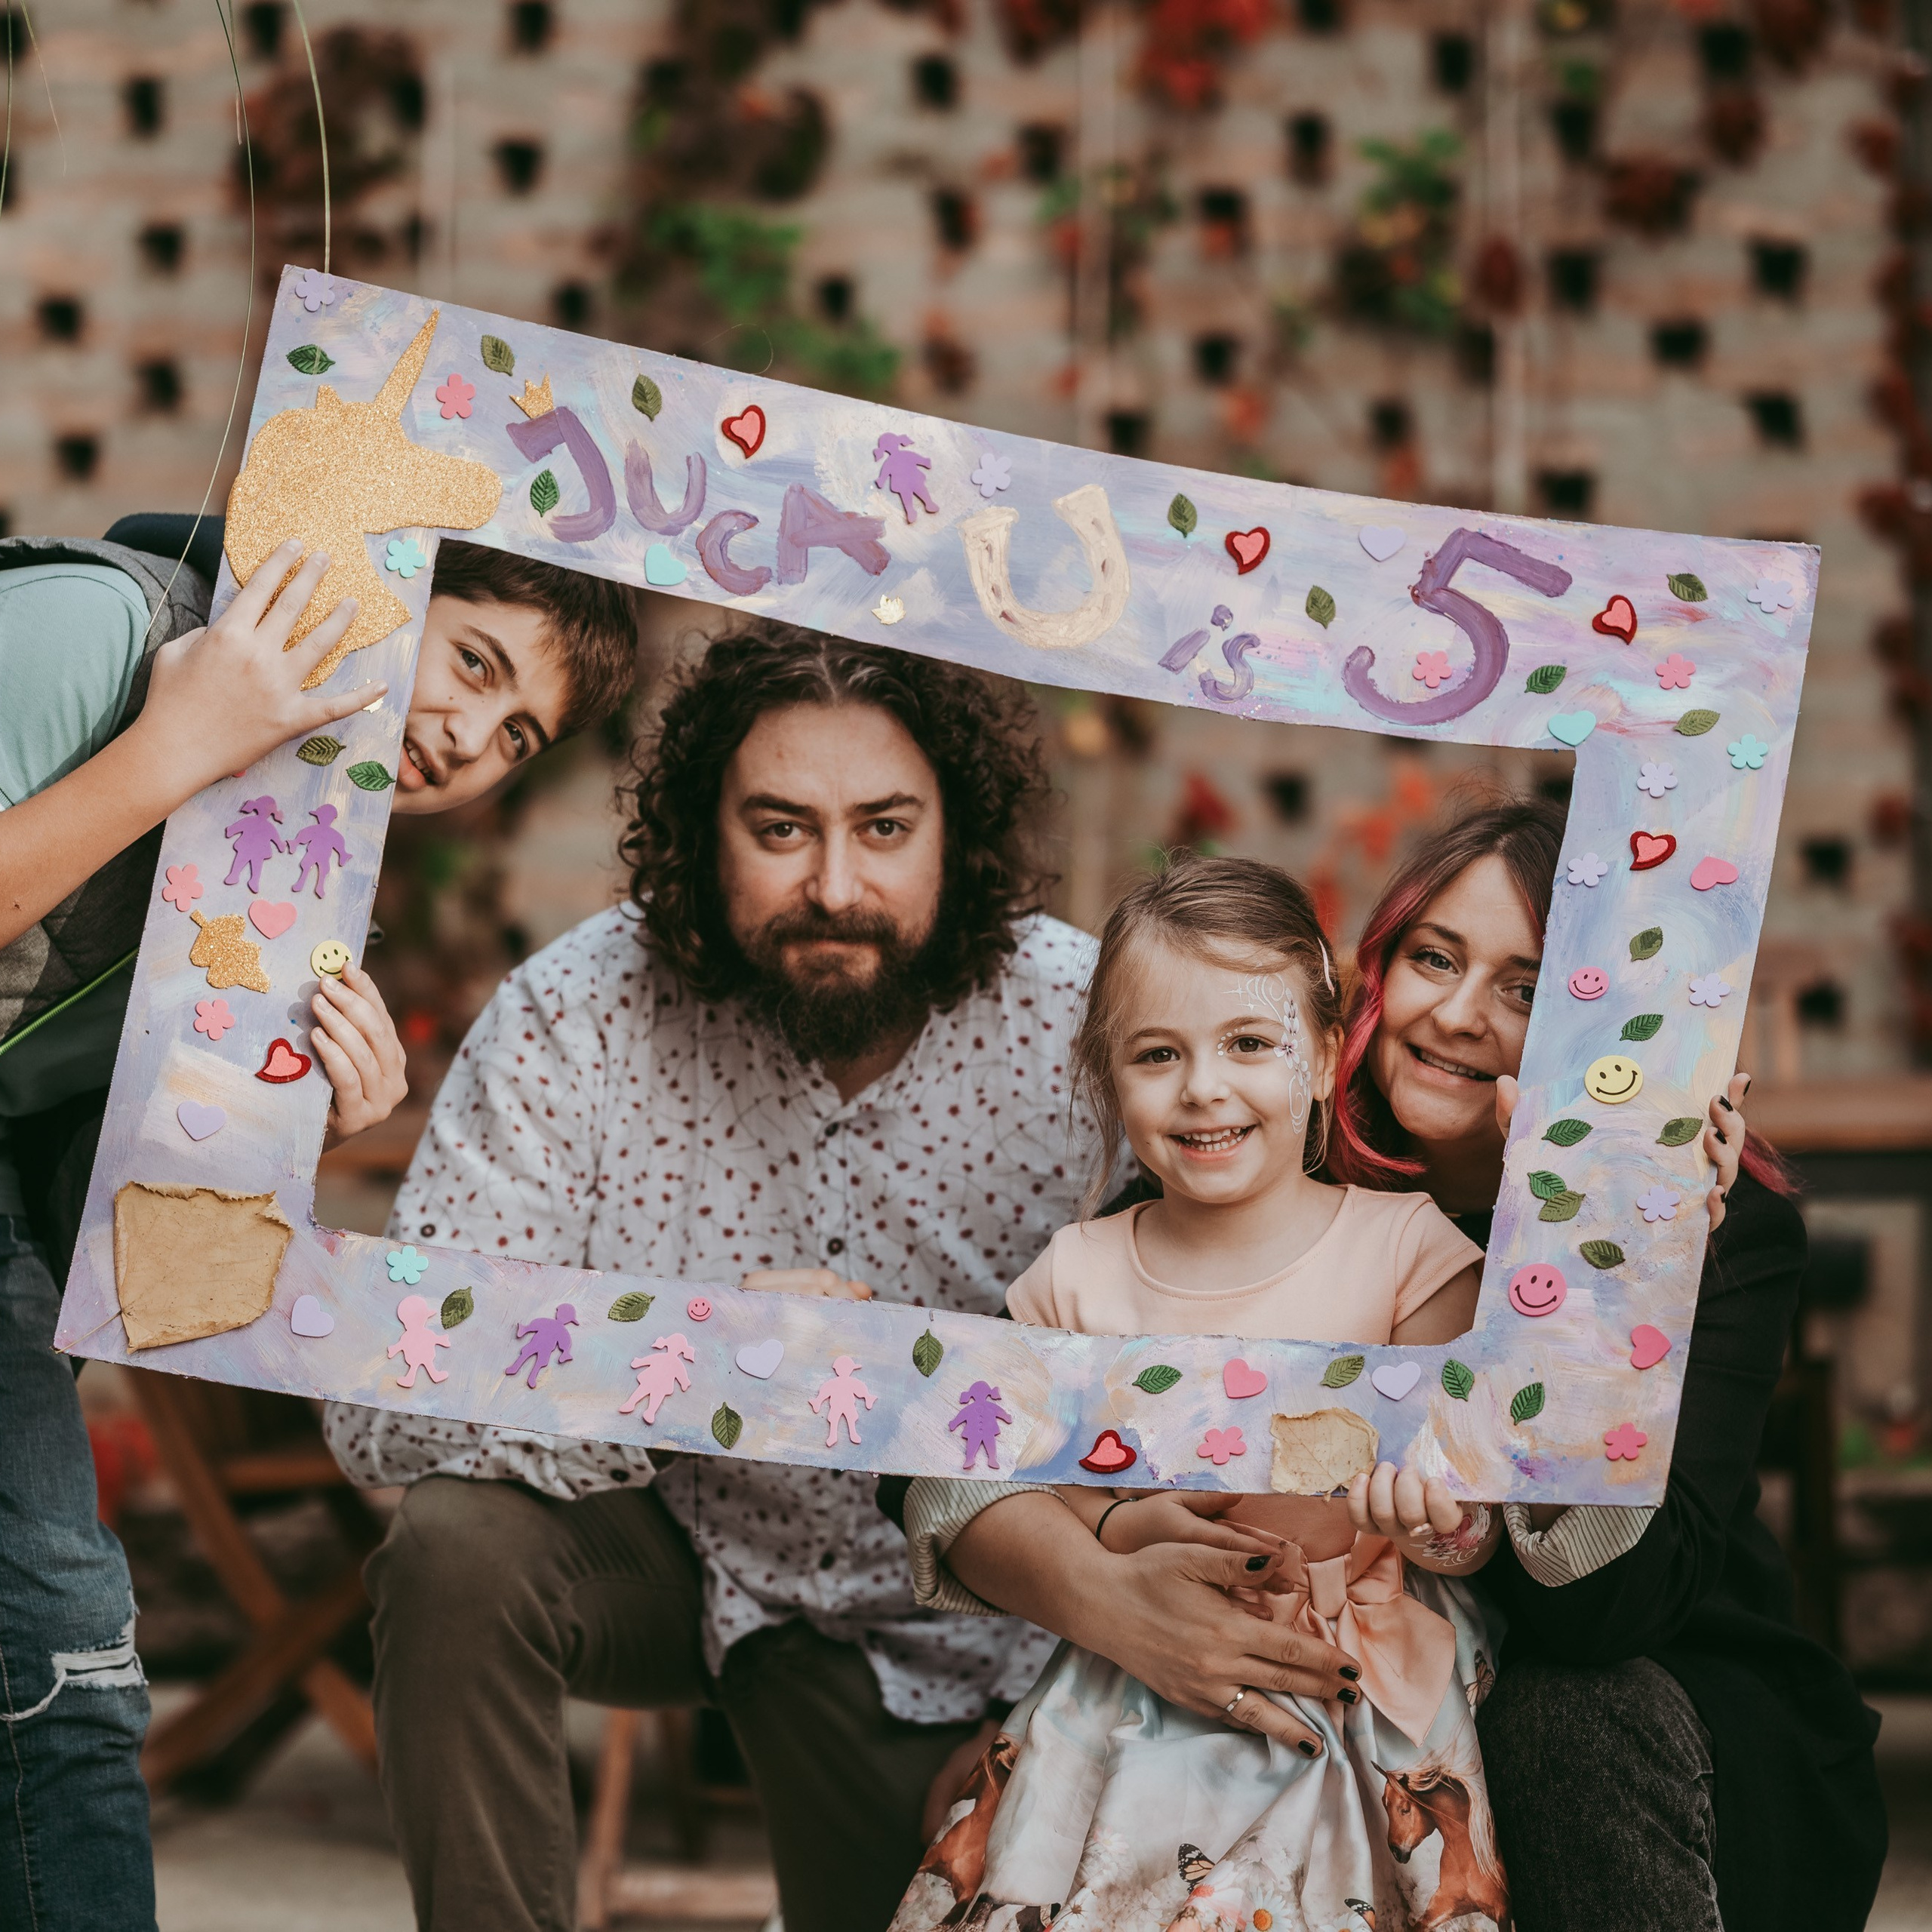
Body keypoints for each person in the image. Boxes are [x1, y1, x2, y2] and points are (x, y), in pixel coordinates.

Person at [318, 625, 1312, 1932]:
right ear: (702, 828)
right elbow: (376, 1409)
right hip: (691, 1555)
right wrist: (695, 1361)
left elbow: (1252, 1323)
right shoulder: (576, 1018)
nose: (835, 885)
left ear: (957, 831)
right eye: (780, 829)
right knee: (456, 1552)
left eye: (886, 828)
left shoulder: (1091, 1024)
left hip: (1019, 1611)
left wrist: (1085, 1644)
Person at [901, 793, 1883, 1932]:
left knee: (1559, 1717)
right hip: (1259, 1669)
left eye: (1528, 989)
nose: (1459, 1014)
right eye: (1434, 957)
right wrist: (1111, 1582)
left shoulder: (1704, 1226)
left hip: (1644, 1684)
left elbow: (1603, 1614)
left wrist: (1595, 1240)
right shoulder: (1258, 1151)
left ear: (1603, 1028)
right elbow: (970, 1437)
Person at [0, 517, 641, 1932]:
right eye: (470, 659)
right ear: (386, 589)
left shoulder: (281, 869)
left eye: (520, 732)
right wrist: (170, 747)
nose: (472, 736)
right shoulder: (96, 636)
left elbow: (145, 1254)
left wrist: (284, 1120)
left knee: (63, 1670)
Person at [889, 855, 1508, 1932]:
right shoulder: (1071, 1277)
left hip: (1350, 1688)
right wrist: (1118, 1522)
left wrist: (1445, 1522)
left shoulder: (1413, 1252)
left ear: (1322, 1057)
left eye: (1250, 1044)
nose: (1205, 1087)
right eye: (1159, 1054)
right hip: (1123, 1688)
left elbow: (1472, 1513)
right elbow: (1023, 1481)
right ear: (1108, 1075)